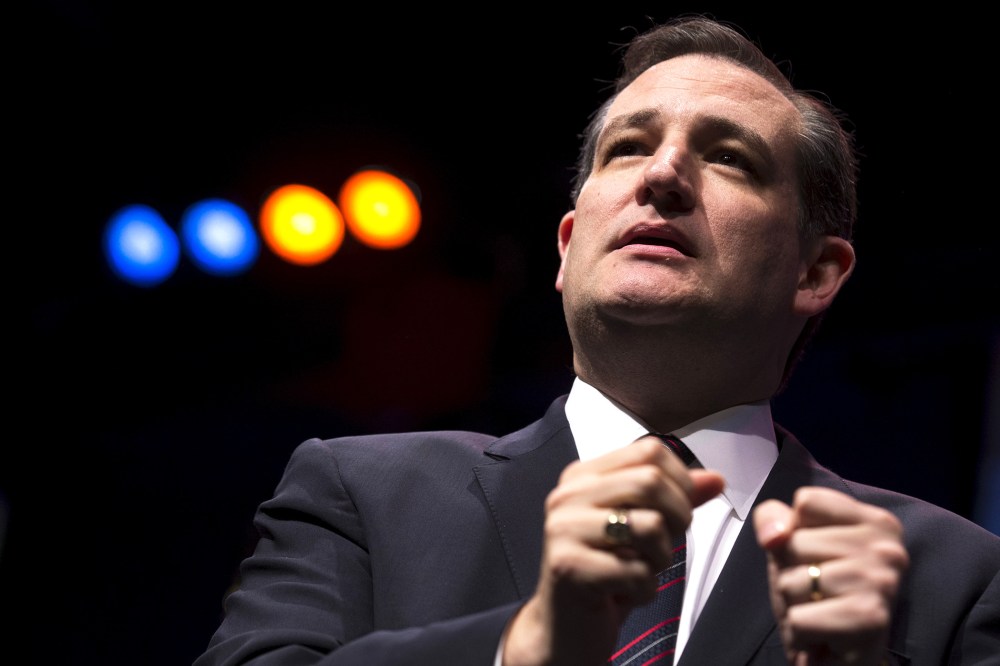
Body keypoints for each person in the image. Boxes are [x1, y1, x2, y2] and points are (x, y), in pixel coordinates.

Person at [193, 15, 1000, 666]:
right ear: (568, 241)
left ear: (817, 273)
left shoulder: (952, 579)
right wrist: (526, 647)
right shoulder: (362, 496)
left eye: (729, 157)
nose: (663, 174)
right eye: (629, 147)